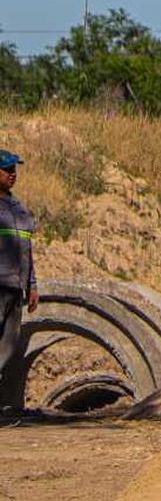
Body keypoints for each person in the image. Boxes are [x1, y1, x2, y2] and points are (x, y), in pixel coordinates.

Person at [0, 149, 37, 386]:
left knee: (8, 345)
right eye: (7, 170)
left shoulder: (20, 208)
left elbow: (27, 250)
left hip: (16, 288)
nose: (13, 175)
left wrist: (32, 285)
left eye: (14, 170)